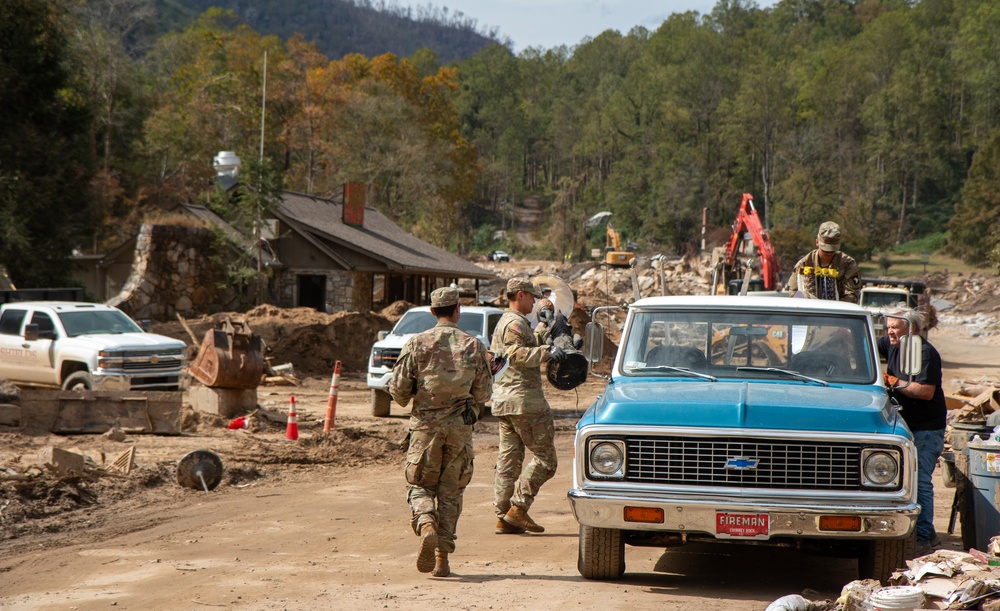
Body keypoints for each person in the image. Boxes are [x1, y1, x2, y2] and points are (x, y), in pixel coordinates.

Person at [389, 286, 493, 577]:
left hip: (425, 430)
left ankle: (425, 524)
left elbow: (397, 392)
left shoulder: (416, 343)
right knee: (451, 492)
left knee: (419, 484)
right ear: (457, 310)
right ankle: (442, 560)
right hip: (459, 430)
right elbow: (484, 392)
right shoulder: (474, 345)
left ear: (433, 312)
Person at [491, 277, 566, 534]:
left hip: (505, 401)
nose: (535, 301)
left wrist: (544, 326)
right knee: (546, 460)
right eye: (532, 297)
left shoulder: (509, 322)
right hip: (524, 401)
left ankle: (503, 517)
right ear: (520, 295)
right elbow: (516, 354)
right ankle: (518, 508)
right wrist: (548, 351)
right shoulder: (514, 323)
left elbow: (524, 344)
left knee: (509, 461)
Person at [877, 305, 946, 555]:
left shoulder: (925, 353)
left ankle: (926, 536)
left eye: (895, 327)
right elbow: (864, 341)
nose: (890, 333)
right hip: (906, 427)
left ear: (912, 329)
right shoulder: (893, 345)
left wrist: (894, 381)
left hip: (926, 429)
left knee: (920, 481)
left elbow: (925, 392)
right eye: (888, 328)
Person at [787, 221, 861, 303]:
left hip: (838, 311)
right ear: (817, 242)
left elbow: (852, 295)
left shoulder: (848, 264)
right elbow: (793, 293)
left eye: (832, 250)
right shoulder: (804, 263)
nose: (829, 253)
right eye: (825, 250)